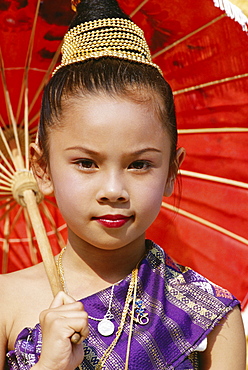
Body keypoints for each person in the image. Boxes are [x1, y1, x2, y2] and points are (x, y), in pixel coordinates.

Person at [0, 0, 246, 369]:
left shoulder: (211, 318)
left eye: (139, 164)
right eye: (86, 163)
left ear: (171, 172)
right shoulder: (5, 300)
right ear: (42, 168)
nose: (113, 189)